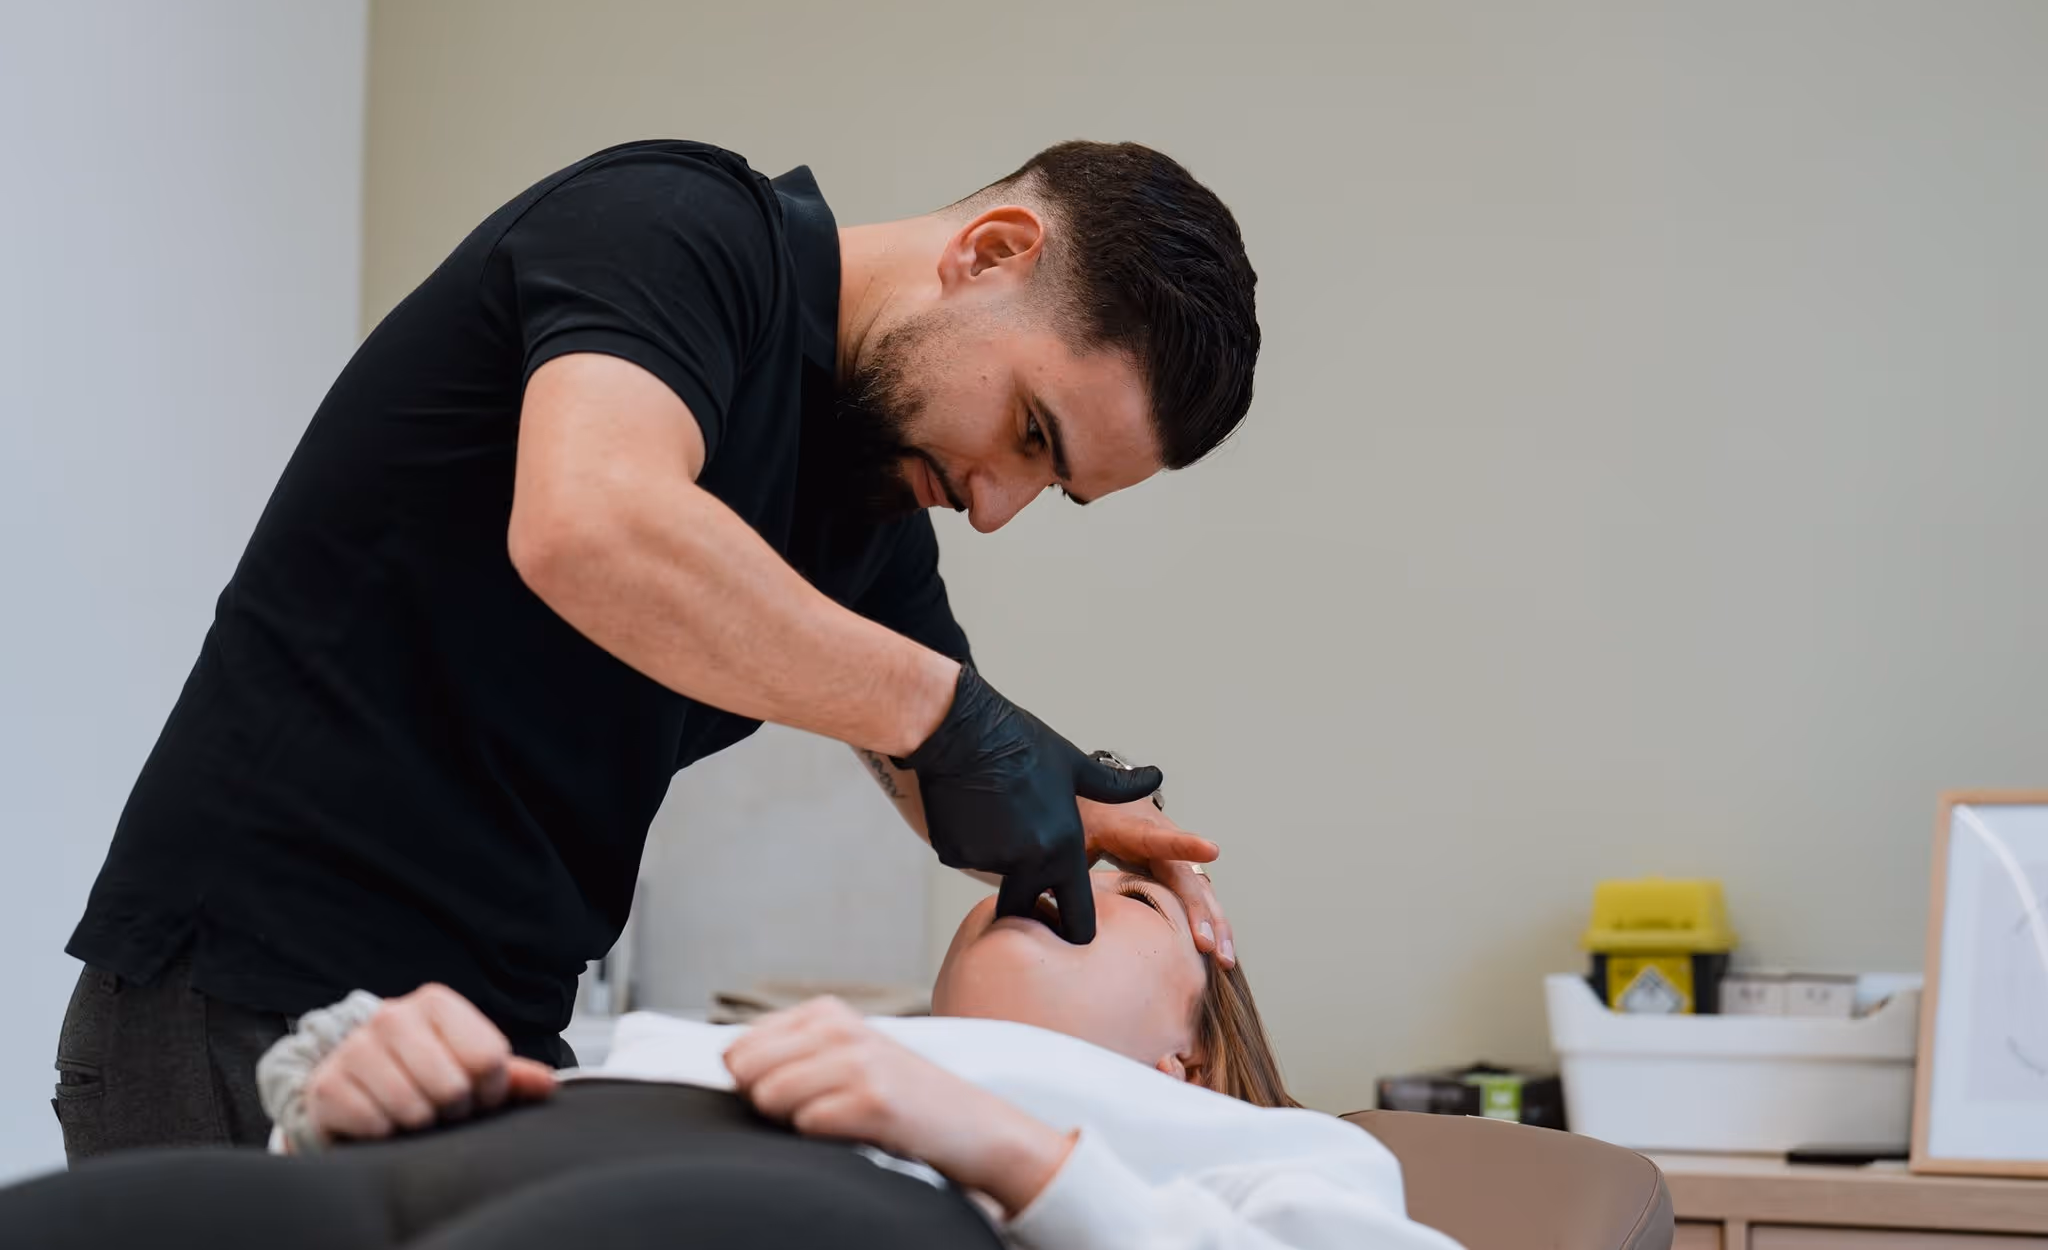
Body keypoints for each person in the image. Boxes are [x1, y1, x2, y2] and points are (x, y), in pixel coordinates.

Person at [55, 139, 1262, 1160]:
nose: (997, 505)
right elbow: (592, 526)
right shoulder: (678, 230)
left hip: (496, 1041)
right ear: (990, 252)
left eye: (1051, 486)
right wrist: (949, 715)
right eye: (1029, 431)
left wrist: (1064, 807)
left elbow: (927, 758)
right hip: (253, 985)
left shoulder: (862, 498)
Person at [3, 872, 1461, 1250]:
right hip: (419, 1170)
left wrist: (1002, 1147)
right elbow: (317, 1117)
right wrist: (355, 1081)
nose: (1069, 879)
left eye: (1131, 896)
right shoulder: (755, 1037)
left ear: (1192, 1057)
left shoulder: (1261, 1149)